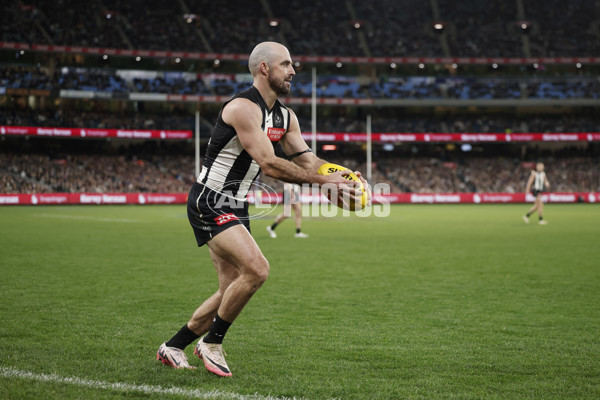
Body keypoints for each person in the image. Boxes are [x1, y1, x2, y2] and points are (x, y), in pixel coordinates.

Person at [156, 41, 366, 377]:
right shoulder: (243, 108)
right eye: (286, 64)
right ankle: (212, 342)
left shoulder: (285, 116)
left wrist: (342, 175)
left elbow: (310, 160)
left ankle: (174, 346)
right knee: (257, 270)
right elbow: (269, 163)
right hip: (210, 200)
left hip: (238, 204)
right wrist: (322, 184)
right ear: (264, 68)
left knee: (231, 290)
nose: (293, 71)